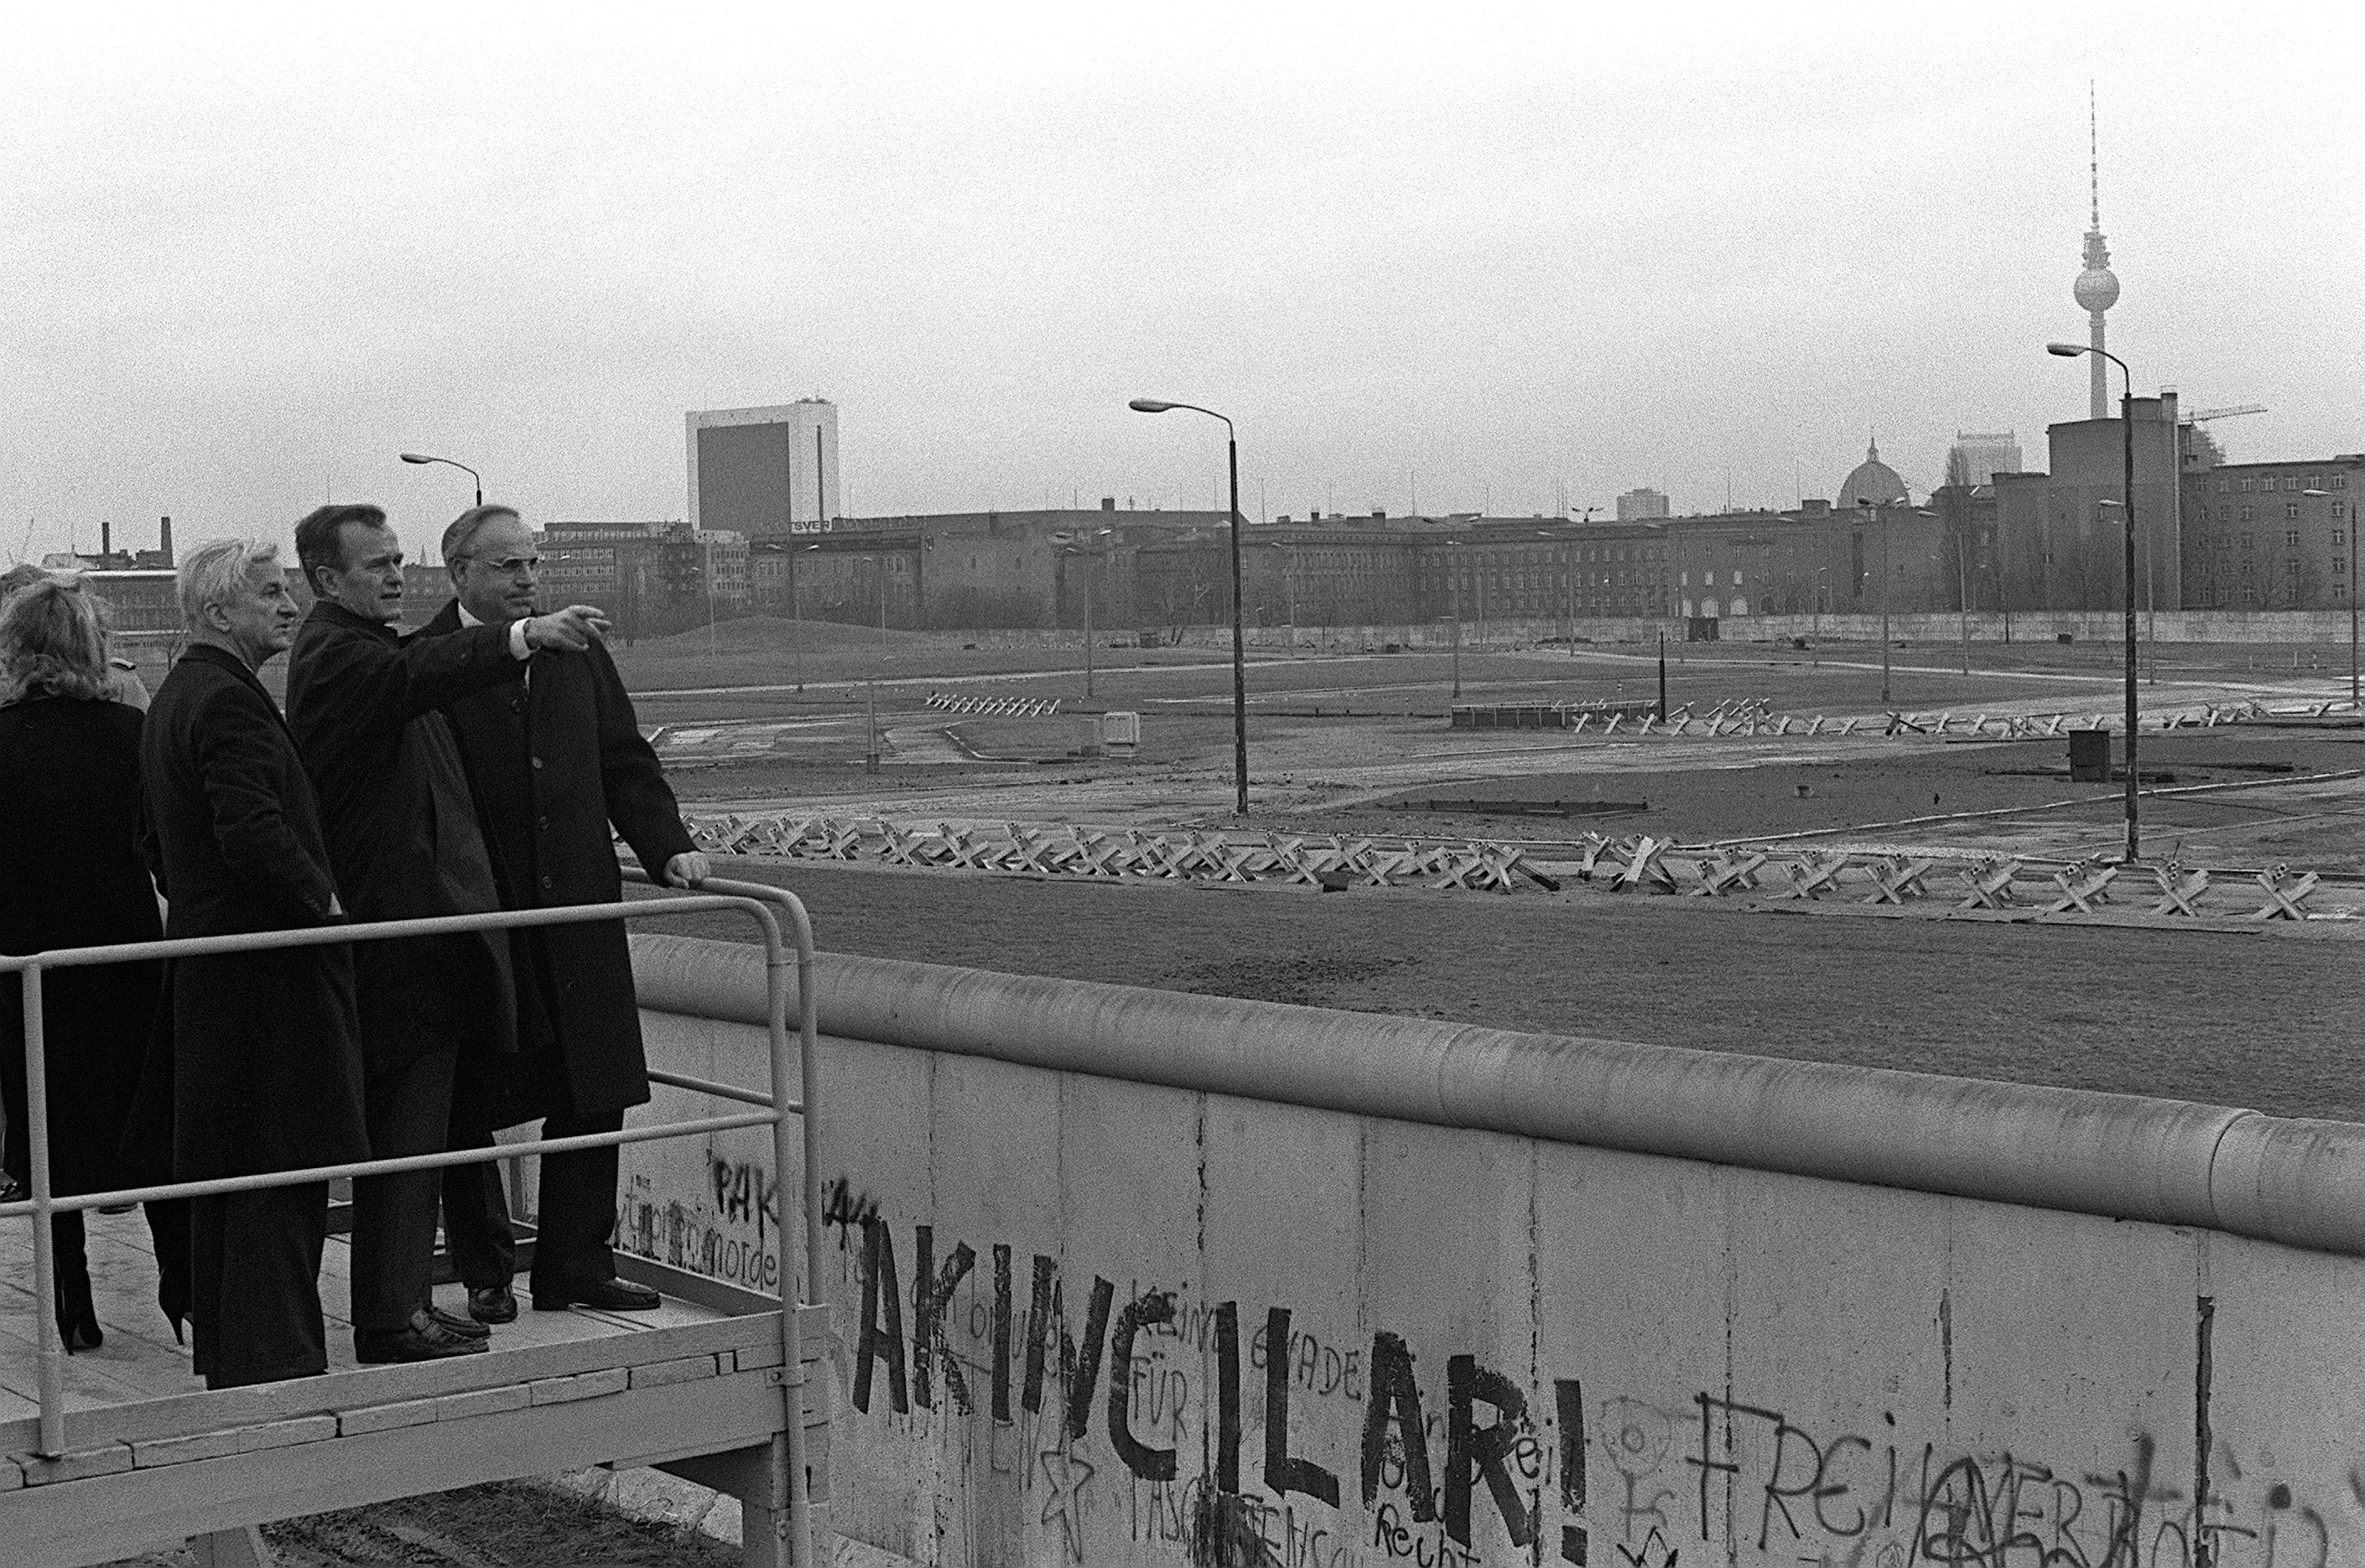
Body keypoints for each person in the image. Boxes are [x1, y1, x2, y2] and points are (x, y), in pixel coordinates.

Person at [283, 503, 608, 1363]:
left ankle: (402, 1305)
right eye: (376, 565)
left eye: (398, 560)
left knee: (415, 1138)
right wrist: (521, 639)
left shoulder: (362, 646)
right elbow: (419, 679)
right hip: (397, 949)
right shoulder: (337, 655)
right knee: (403, 1139)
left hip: (412, 944)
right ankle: (392, 1317)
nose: (395, 575)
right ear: (326, 579)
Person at [423, 505, 710, 1319]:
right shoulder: (431, 660)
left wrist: (667, 846)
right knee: (468, 1095)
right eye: (507, 566)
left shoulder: (578, 653)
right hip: (482, 915)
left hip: (579, 905)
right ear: (460, 575)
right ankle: (485, 1270)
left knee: (594, 1081)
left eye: (532, 565)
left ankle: (575, 1264)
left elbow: (623, 758)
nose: (526, 580)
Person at [138, 537, 370, 1389]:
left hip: (213, 975)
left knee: (235, 1183)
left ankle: (239, 1362)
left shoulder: (176, 696)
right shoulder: (228, 703)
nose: (290, 606)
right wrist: (327, 907)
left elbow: (155, 841)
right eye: (270, 593)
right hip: (268, 986)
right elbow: (250, 830)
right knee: (280, 1176)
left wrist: (202, 906)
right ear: (217, 611)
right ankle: (277, 1370)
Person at [0, 577, 174, 1351]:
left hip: (27, 966)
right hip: (125, 956)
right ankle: (184, 1285)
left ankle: (73, 1304)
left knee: (47, 1127)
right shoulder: (132, 734)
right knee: (146, 1117)